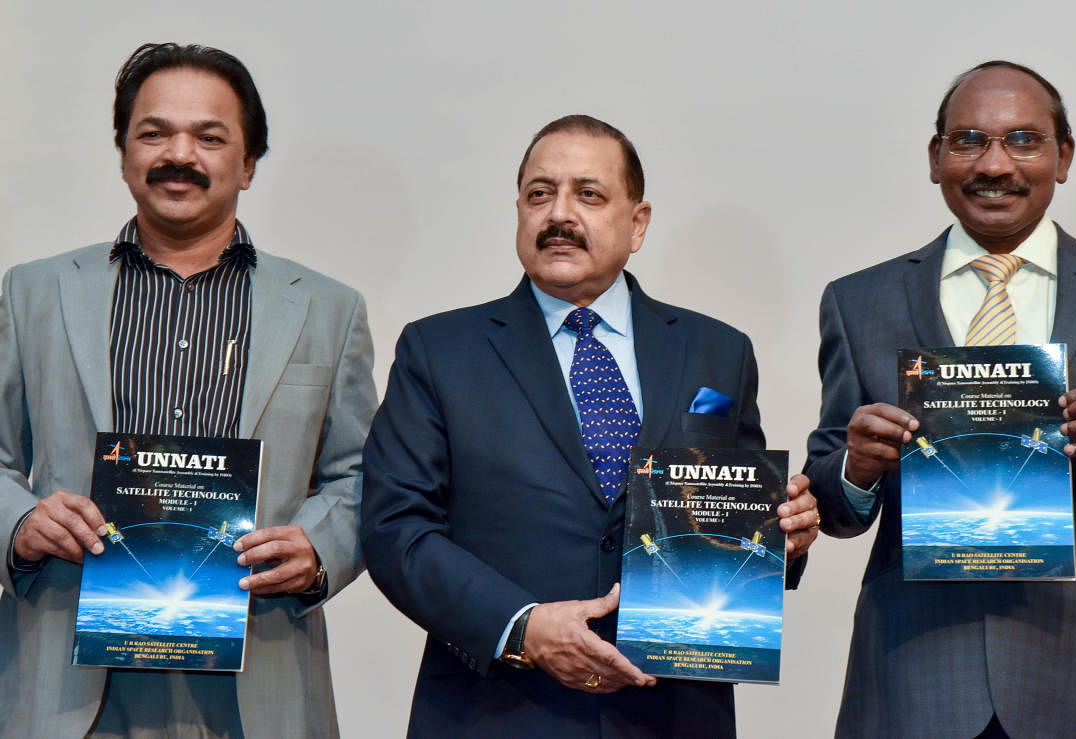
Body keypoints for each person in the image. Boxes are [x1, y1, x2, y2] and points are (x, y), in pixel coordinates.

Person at [361, 114, 819, 737]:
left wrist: (780, 538)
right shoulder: (438, 351)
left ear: (638, 224)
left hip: (674, 713)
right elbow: (396, 529)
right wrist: (521, 626)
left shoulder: (718, 352)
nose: (559, 214)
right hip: (499, 710)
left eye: (589, 194)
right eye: (539, 193)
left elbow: (732, 520)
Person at [805, 60, 1076, 738]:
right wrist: (856, 470)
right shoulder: (856, 301)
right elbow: (830, 499)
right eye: (968, 141)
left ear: (1063, 156)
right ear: (936, 158)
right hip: (914, 675)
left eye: (1023, 139)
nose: (995, 163)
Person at [0, 43, 377, 738]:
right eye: (154, 133)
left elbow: (361, 472)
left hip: (255, 683)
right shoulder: (34, 292)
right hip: (67, 684)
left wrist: (319, 547)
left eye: (210, 136)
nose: (180, 154)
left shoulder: (328, 309)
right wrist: (19, 524)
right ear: (122, 154)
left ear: (249, 163)